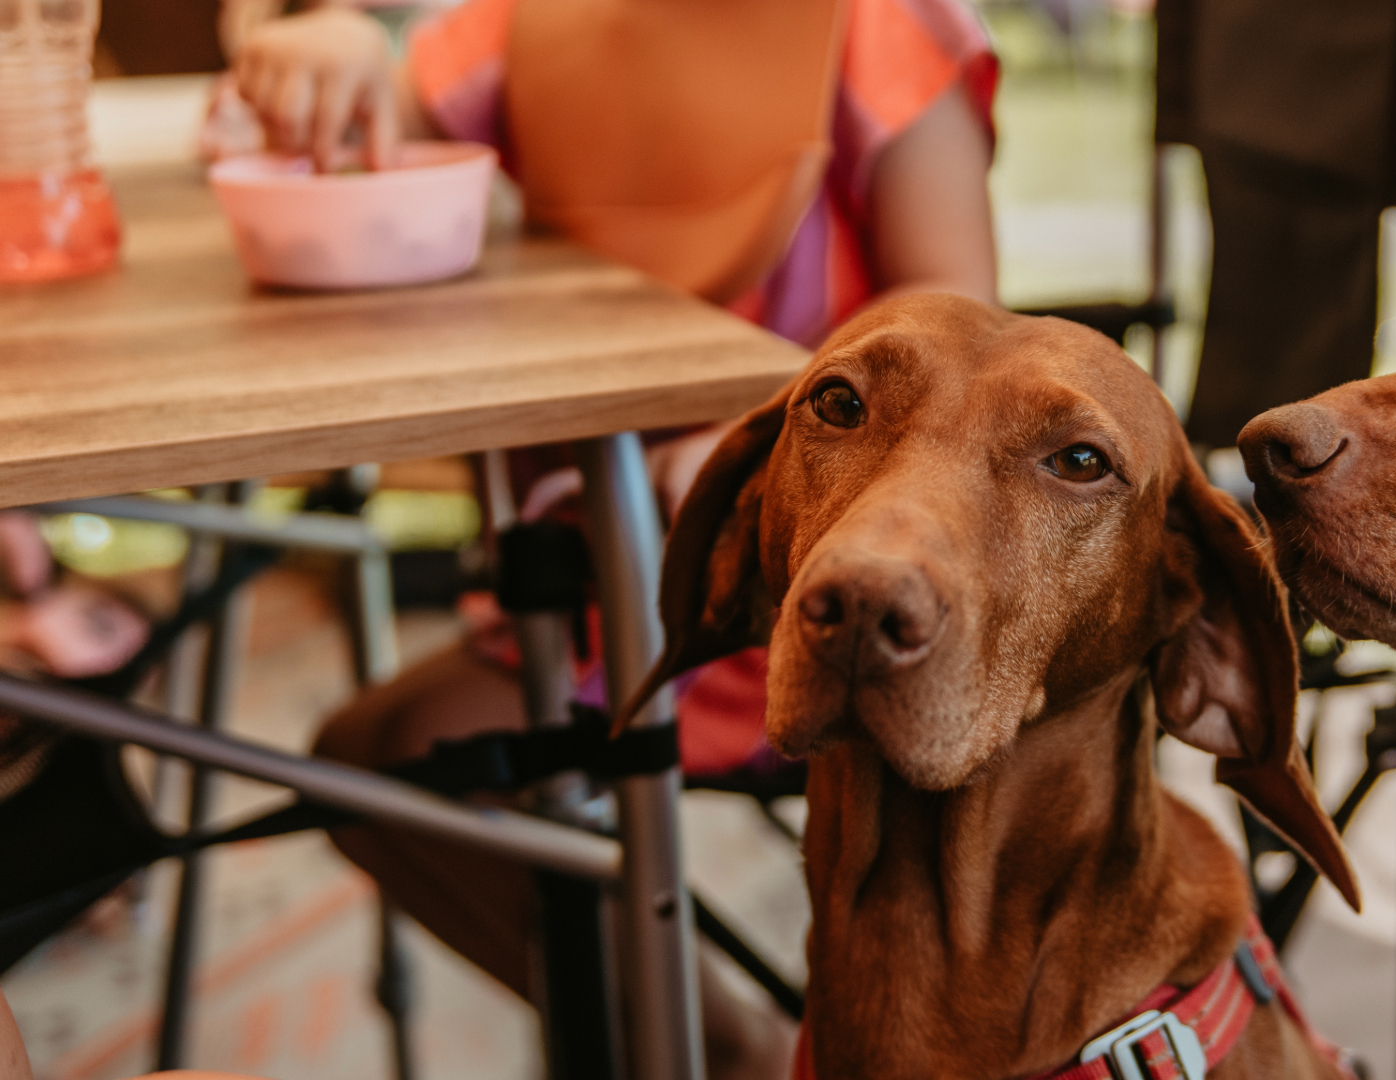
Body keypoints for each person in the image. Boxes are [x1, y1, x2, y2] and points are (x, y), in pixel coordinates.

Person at [214, 0, 998, 1075]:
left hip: (794, 600)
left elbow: (956, 309)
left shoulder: (884, 27)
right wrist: (342, 47)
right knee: (372, 769)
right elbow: (371, 125)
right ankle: (723, 1051)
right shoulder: (525, 20)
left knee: (387, 763)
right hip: (597, 581)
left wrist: (776, 425)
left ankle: (715, 1052)